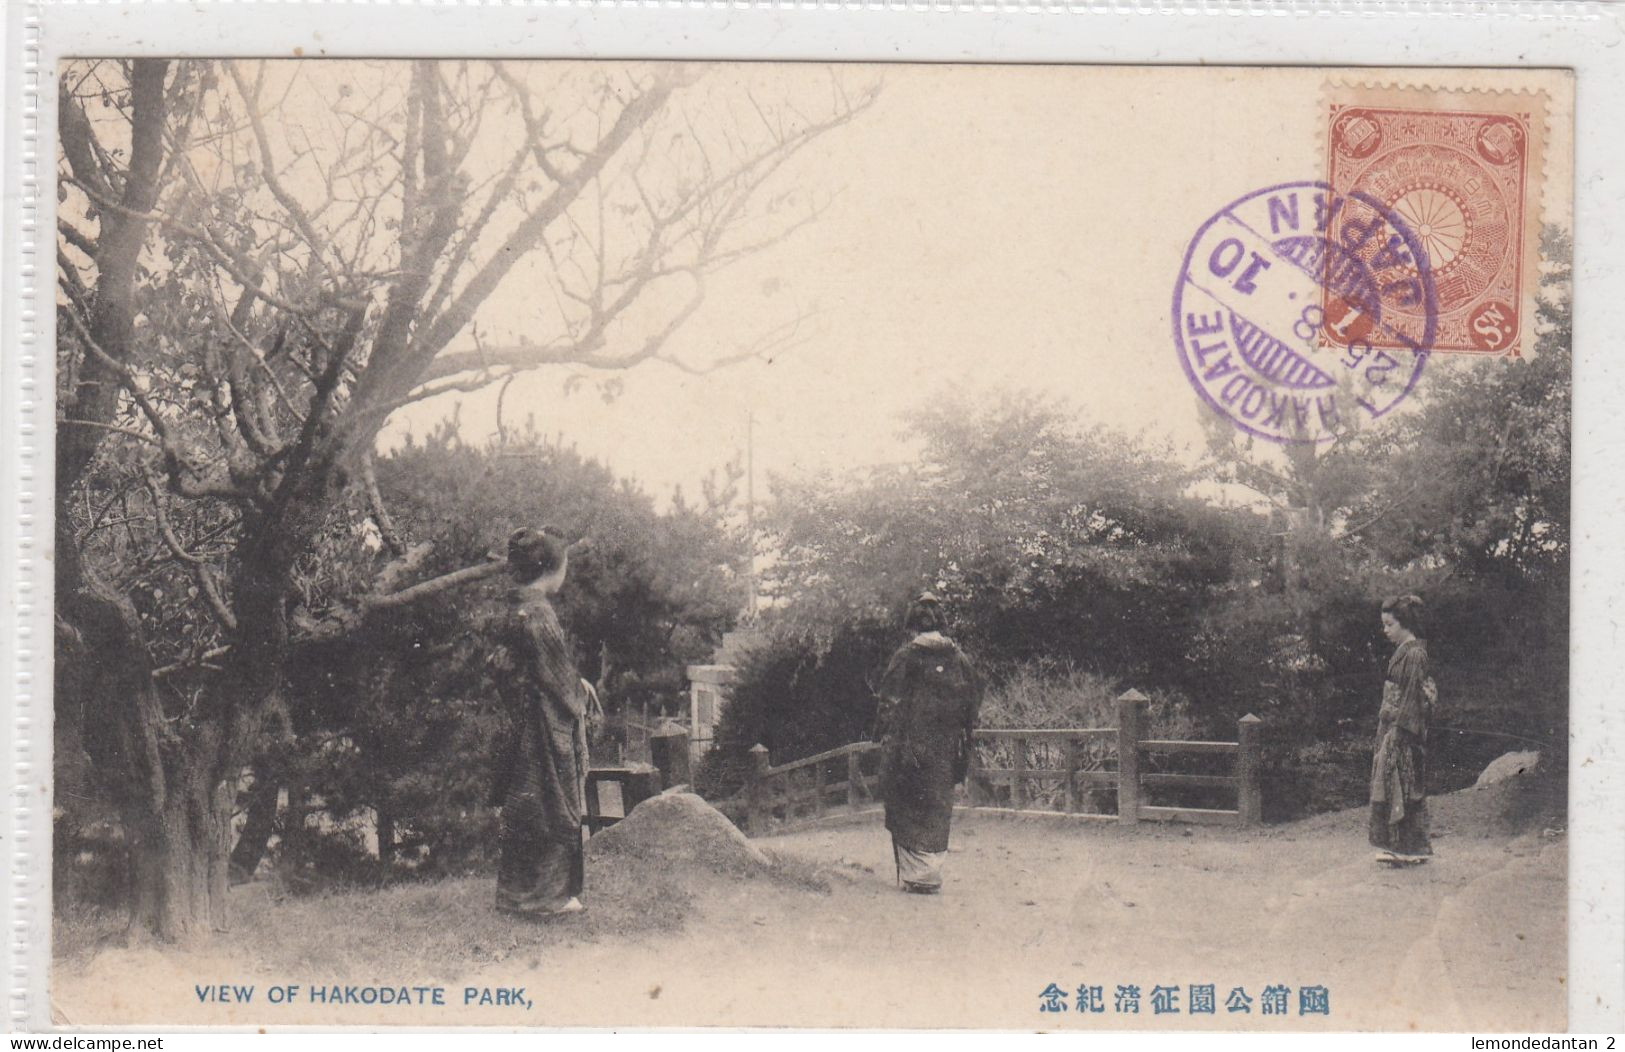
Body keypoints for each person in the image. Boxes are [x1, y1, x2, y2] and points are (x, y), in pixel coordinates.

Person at [487, 525, 601, 916]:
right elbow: (554, 675)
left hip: (522, 718)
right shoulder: (538, 611)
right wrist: (580, 693)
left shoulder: (515, 606)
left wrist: (571, 681)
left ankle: (518, 895)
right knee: (552, 805)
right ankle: (547, 898)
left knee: (526, 807)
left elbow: (519, 667)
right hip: (543, 725)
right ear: (554, 567)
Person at [875, 592, 982, 894]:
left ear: (913, 623)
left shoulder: (906, 656)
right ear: (941, 622)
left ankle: (914, 875)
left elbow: (888, 703)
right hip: (945, 748)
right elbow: (973, 700)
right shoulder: (957, 658)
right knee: (937, 805)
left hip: (909, 747)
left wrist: (886, 736)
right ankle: (932, 873)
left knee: (905, 803)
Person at [1369, 593, 1436, 866]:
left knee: (1404, 785)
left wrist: (1399, 730)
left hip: (1404, 730)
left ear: (1405, 623)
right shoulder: (1404, 653)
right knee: (1392, 784)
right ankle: (1401, 846)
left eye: (1389, 624)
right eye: (1384, 624)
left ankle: (1408, 847)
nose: (1385, 630)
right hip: (1393, 725)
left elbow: (1412, 697)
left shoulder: (1415, 654)